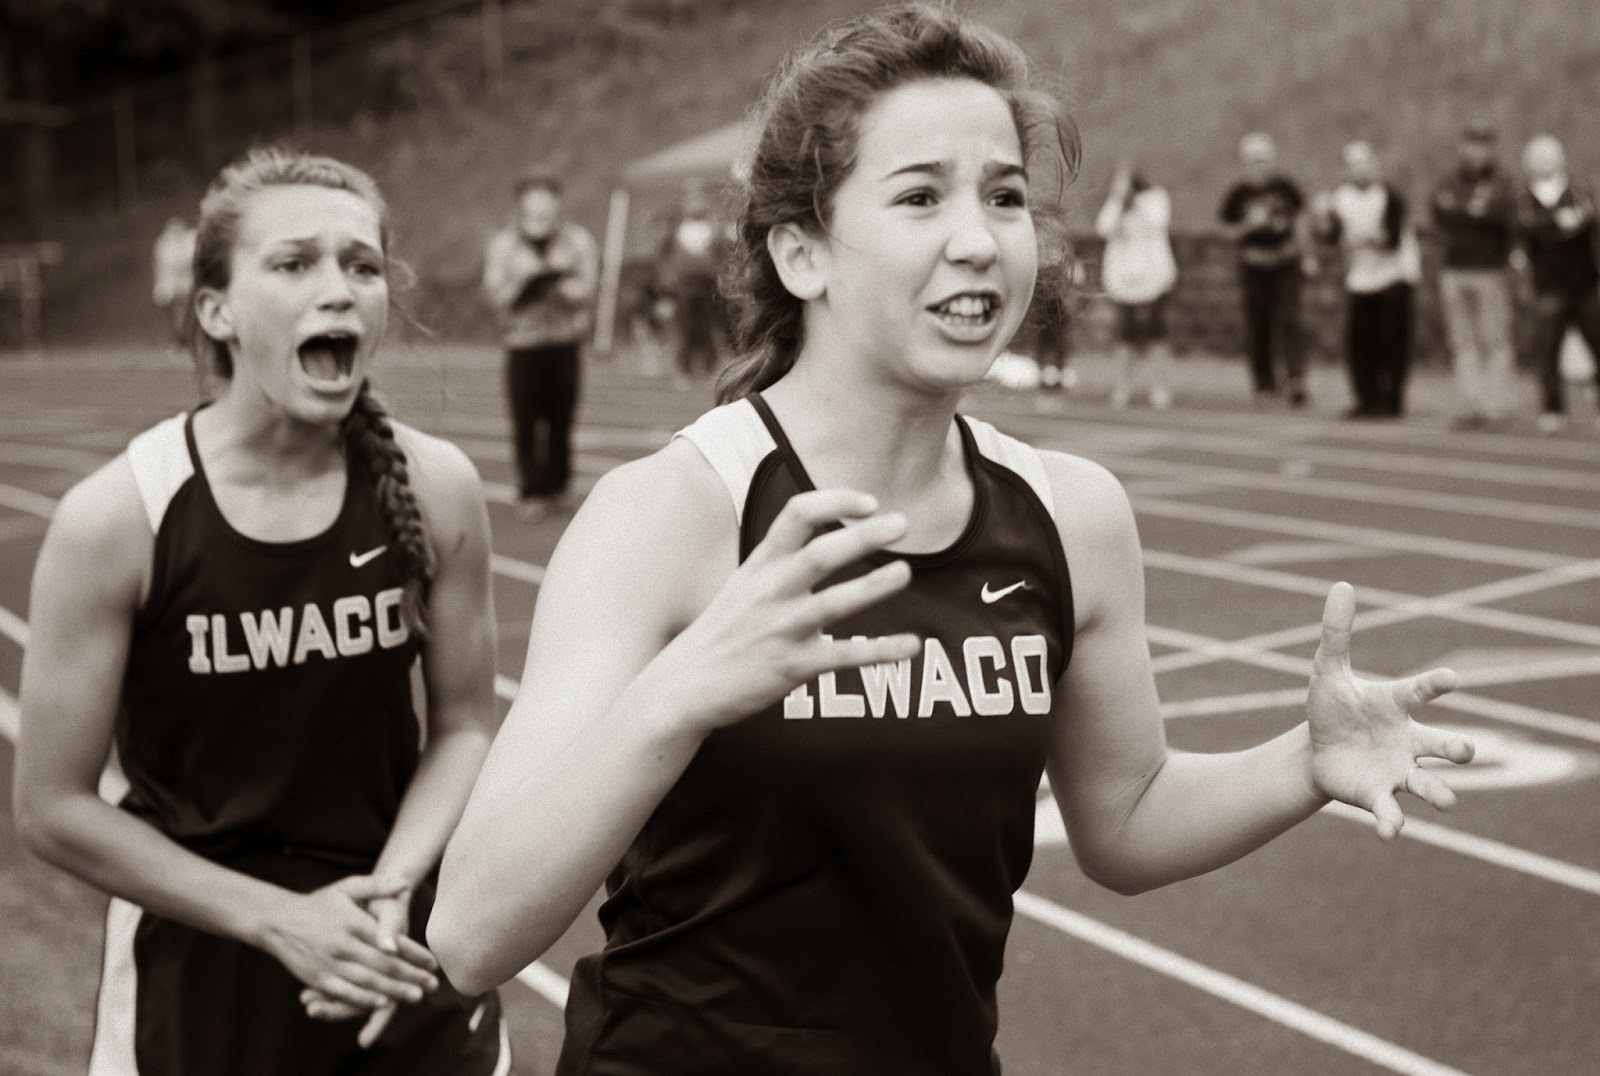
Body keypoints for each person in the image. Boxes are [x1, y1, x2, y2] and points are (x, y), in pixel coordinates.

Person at [430, 7, 1474, 1075]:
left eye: (1005, 196)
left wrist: (1305, 762)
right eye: (920, 196)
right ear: (801, 252)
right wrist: (682, 690)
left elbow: (1126, 817)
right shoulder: (672, 512)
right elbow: (469, 932)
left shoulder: (1071, 515)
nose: (978, 240)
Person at [14, 147, 507, 1076]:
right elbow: (52, 808)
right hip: (203, 986)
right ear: (217, 311)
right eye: (293, 263)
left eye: (362, 266)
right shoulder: (118, 518)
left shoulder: (437, 486)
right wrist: (280, 921)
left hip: (395, 954)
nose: (338, 290)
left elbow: (464, 726)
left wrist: (393, 888)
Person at [481, 170, 599, 520]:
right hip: (523, 345)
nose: (541, 216)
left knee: (561, 419)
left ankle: (560, 487)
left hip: (564, 343)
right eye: (533, 209)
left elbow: (589, 288)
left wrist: (557, 285)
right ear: (521, 208)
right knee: (526, 420)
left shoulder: (577, 241)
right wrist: (523, 286)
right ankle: (531, 490)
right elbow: (494, 295)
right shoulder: (503, 245)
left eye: (547, 209)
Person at [1312, 141, 1421, 418]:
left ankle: (1392, 399)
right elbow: (1329, 237)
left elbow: (1391, 240)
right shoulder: (1340, 198)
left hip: (1394, 276)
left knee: (1391, 342)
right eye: (1354, 166)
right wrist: (1322, 217)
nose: (1360, 170)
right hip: (1360, 279)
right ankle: (1365, 399)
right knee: (1360, 344)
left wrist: (1362, 240)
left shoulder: (1388, 196)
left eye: (1365, 164)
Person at [1511, 134, 1600, 434]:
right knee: (1548, 349)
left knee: (1597, 342)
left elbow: (1587, 220)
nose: (1543, 163)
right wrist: (1557, 225)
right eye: (1538, 158)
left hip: (1585, 282)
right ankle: (1552, 408)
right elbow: (1526, 229)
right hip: (1548, 284)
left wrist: (1551, 229)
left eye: (1548, 157)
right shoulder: (1525, 197)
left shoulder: (1577, 188)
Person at [1431, 119, 1517, 429]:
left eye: (1483, 145)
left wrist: (1467, 211)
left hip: (1490, 270)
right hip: (1454, 269)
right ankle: (1471, 403)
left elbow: (1502, 217)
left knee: (1494, 339)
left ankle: (1495, 404)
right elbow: (1441, 212)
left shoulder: (1502, 181)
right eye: (1471, 144)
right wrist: (1473, 211)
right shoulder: (1450, 178)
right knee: (1462, 341)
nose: (1476, 151)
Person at [1218, 132, 1312, 407]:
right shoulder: (1238, 194)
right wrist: (1249, 225)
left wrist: (1306, 253)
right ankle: (1264, 384)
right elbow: (1225, 230)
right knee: (1259, 325)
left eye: (1263, 160)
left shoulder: (1285, 188)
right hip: (1254, 266)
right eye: (1253, 161)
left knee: (1291, 321)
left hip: (1285, 263)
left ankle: (1295, 380)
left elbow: (1301, 219)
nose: (1259, 166)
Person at [1096, 159, 1177, 409]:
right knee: (1125, 336)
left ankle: (1159, 387)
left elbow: (1158, 222)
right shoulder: (1116, 204)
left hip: (1154, 281)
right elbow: (1103, 228)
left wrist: (1136, 201)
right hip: (1123, 284)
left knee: (1156, 335)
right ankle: (1123, 388)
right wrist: (1119, 201)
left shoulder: (1156, 198)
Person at [656, 178, 730, 384]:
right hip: (683, 285)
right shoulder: (675, 226)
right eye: (691, 197)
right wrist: (665, 283)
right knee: (684, 327)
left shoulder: (715, 226)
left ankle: (710, 366)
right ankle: (683, 369)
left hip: (709, 283)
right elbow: (663, 255)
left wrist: (724, 276)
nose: (695, 202)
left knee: (709, 326)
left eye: (699, 197)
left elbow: (723, 253)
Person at [152, 215, 198, 347]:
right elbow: (162, 268)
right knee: (177, 314)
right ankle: (180, 338)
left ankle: (182, 338)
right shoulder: (164, 245)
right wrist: (162, 288)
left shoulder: (190, 241)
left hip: (188, 285)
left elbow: (191, 264)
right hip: (173, 286)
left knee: (185, 313)